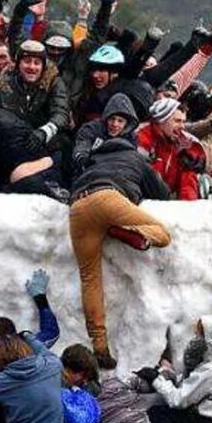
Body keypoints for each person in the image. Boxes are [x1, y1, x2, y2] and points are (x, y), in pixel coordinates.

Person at [68, 93, 173, 369]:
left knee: (90, 278)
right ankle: (122, 232)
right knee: (162, 233)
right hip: (109, 199)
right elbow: (162, 194)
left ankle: (99, 346)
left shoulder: (93, 157)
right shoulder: (136, 158)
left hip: (78, 207)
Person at [135, 98, 208, 200]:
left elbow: (188, 180)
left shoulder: (184, 142)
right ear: (161, 120)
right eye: (177, 121)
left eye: (183, 121)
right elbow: (139, 175)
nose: (182, 126)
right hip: (143, 201)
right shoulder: (141, 137)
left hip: (169, 201)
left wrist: (188, 208)